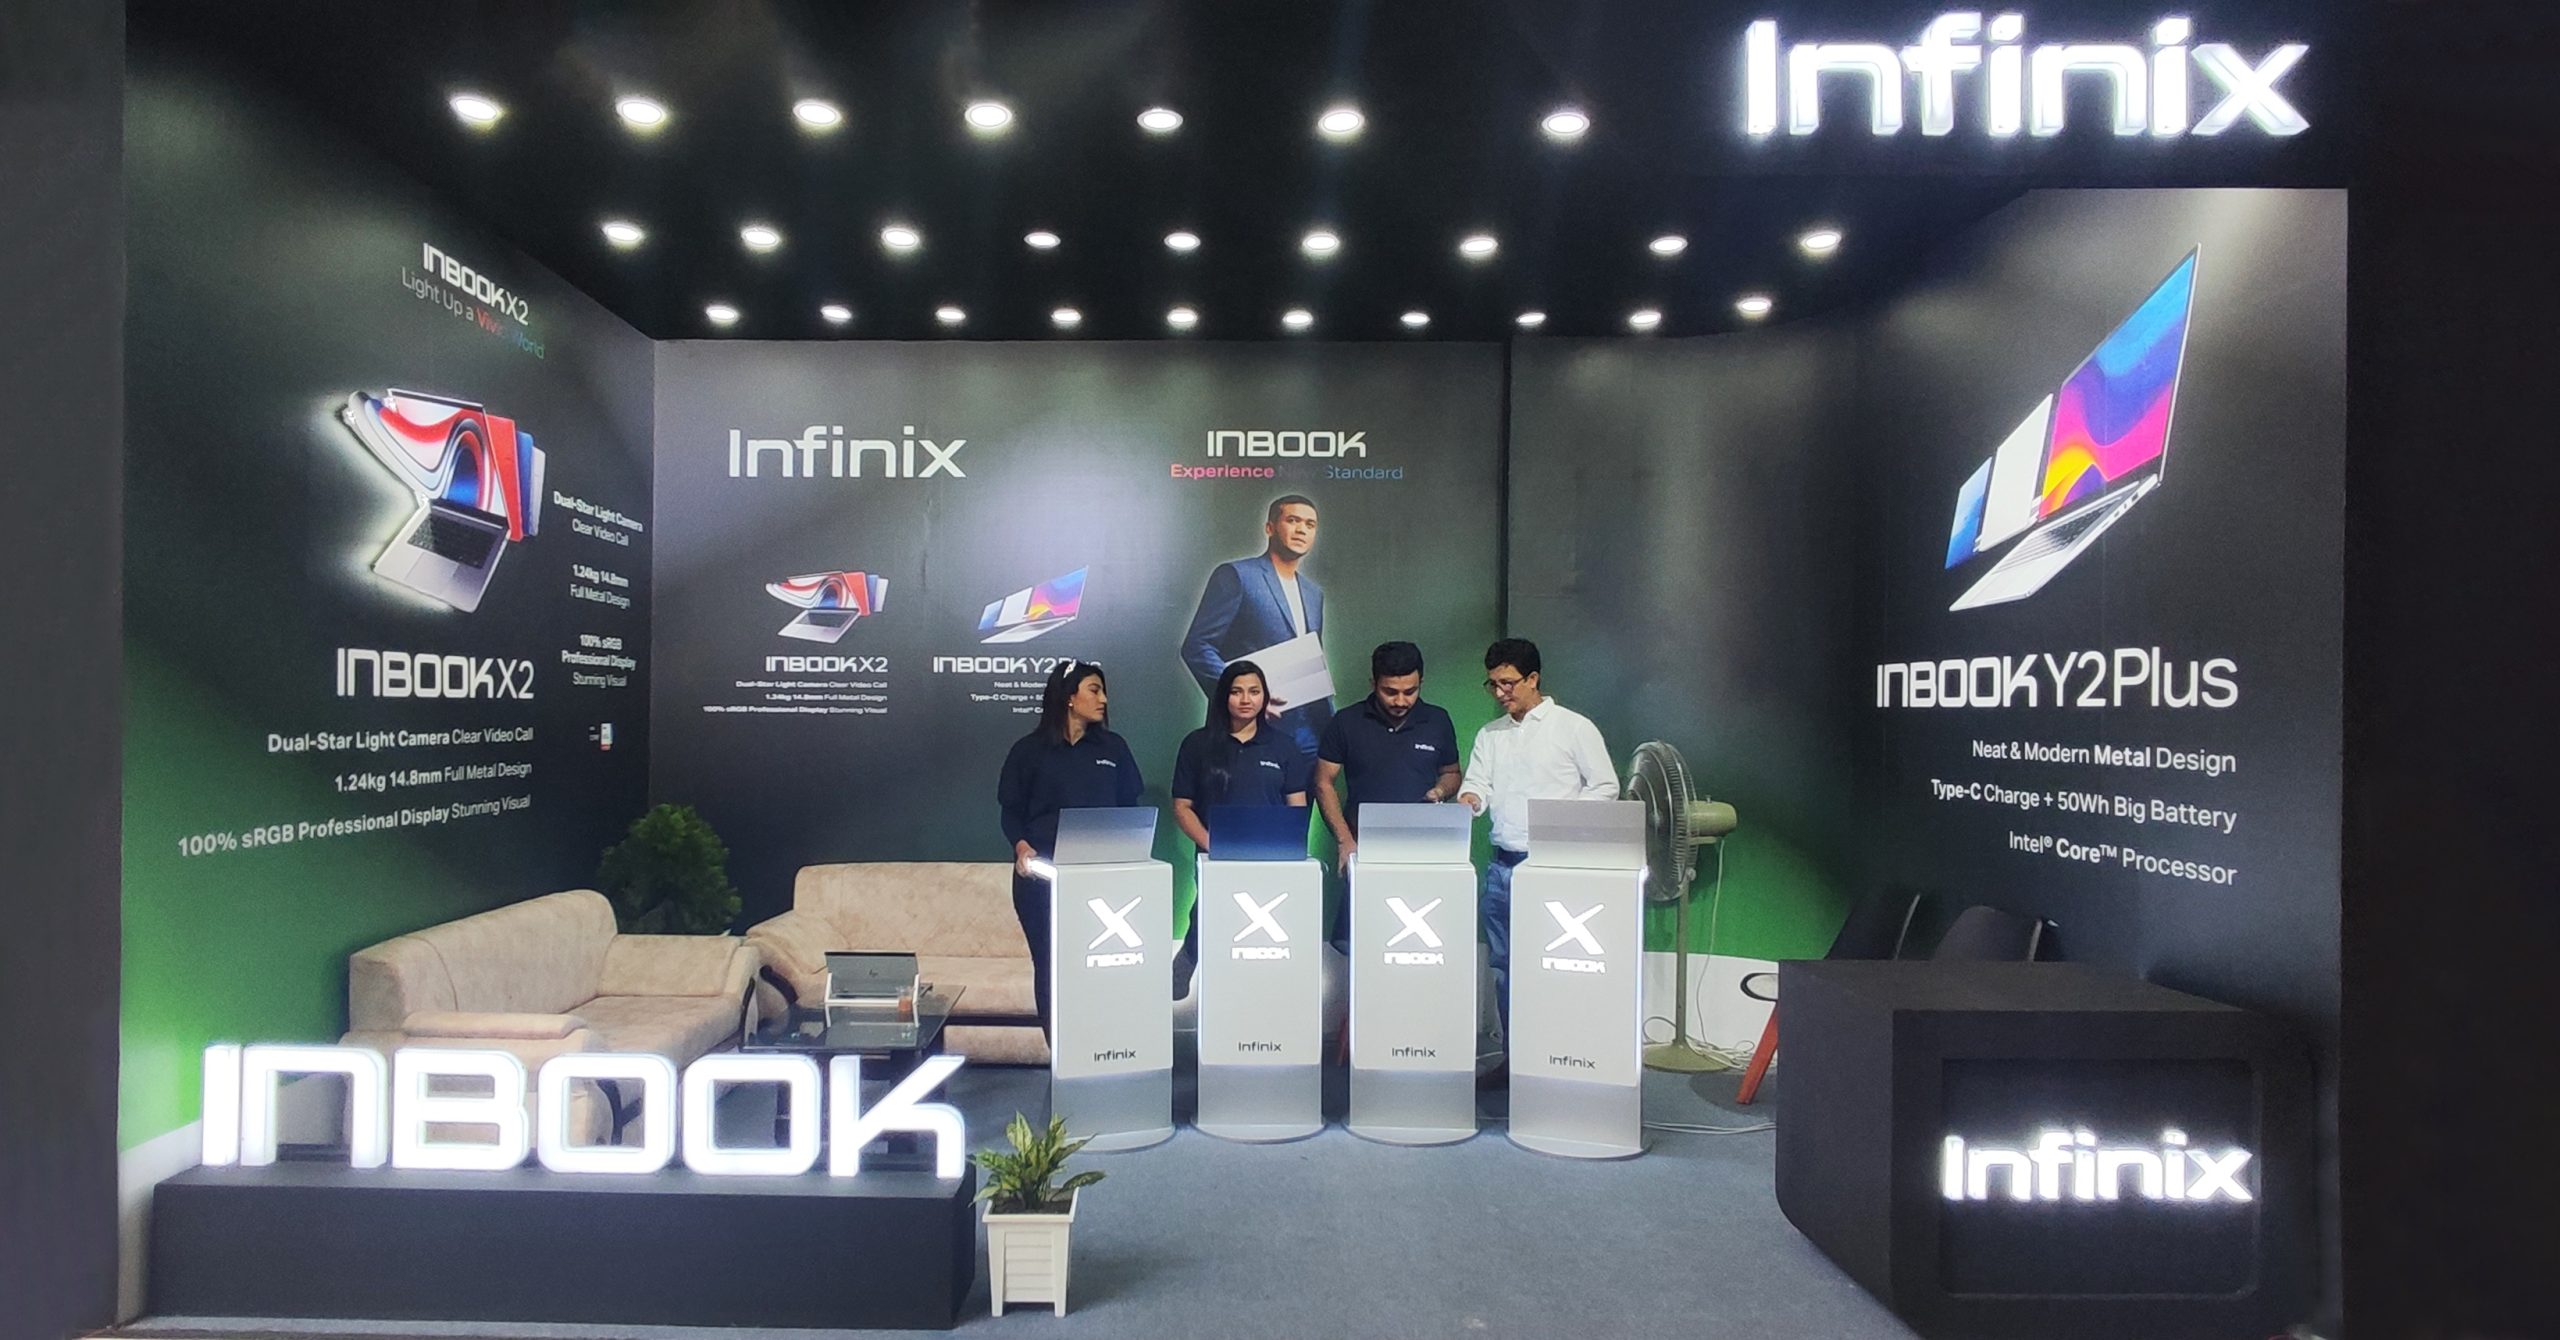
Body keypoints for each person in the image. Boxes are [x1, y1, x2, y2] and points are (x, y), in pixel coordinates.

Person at [1456, 638, 1619, 1080]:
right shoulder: (1490, 735)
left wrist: (1562, 824)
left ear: (1533, 678)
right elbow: (1477, 783)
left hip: (1553, 867)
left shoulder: (1573, 728)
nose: (1500, 693)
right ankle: (1516, 1061)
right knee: (1505, 968)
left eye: (1508, 683)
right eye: (1492, 684)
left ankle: (1559, 1060)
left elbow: (1605, 786)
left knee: (1556, 967)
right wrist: (1471, 798)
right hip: (1502, 866)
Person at [996, 661, 1142, 1041]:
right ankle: (1060, 1053)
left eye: (1103, 690)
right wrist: (1021, 847)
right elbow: (1011, 812)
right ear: (1069, 698)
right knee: (1050, 965)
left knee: (1100, 965)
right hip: (1043, 880)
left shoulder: (1114, 748)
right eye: (1094, 689)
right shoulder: (1028, 751)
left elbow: (1129, 808)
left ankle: (1102, 1047)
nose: (1103, 699)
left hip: (1100, 881)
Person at [1167, 660, 1310, 994]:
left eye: (1254, 691)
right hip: (1215, 857)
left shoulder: (1284, 746)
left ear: (1265, 697)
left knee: (1264, 932)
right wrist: (1212, 845)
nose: (1246, 699)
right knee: (1214, 918)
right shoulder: (1197, 744)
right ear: (1223, 697)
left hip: (1273, 859)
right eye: (1237, 691)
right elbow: (1182, 807)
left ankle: (1264, 994)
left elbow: (1297, 806)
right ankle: (1192, 965)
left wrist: (1292, 847)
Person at [1312, 641, 1461, 948]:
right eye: (1390, 691)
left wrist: (1441, 790)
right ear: (1373, 683)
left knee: (1420, 942)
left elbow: (1452, 773)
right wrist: (1344, 841)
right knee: (1361, 943)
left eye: (1410, 691)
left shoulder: (1438, 720)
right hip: (1365, 850)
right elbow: (1323, 782)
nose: (1401, 700)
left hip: (1425, 850)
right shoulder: (1347, 722)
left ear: (1421, 683)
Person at [1180, 495, 1331, 759]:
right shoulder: (1237, 575)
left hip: (1308, 732)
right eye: (1293, 520)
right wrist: (1246, 697)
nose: (1301, 530)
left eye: (1310, 524)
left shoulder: (1313, 593)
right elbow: (1197, 647)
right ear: (1270, 527)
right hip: (1250, 729)